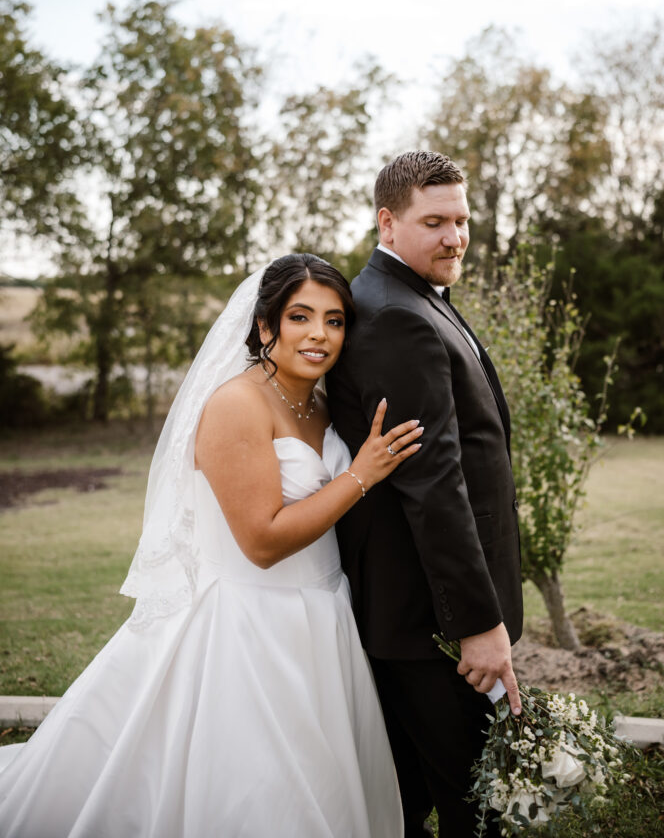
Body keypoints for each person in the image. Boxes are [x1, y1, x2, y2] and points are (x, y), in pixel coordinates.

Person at [0, 253, 422, 838]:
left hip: (322, 616)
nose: (320, 335)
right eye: (300, 317)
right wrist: (362, 474)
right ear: (265, 326)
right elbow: (263, 541)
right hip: (248, 626)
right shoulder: (236, 404)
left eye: (334, 320)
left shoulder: (320, 403)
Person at [326, 151, 524, 838]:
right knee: (475, 807)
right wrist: (474, 623)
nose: (455, 237)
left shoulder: (412, 298)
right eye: (434, 221)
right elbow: (431, 481)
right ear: (387, 220)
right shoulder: (392, 316)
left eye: (462, 221)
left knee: (413, 806)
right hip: (427, 624)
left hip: (426, 617)